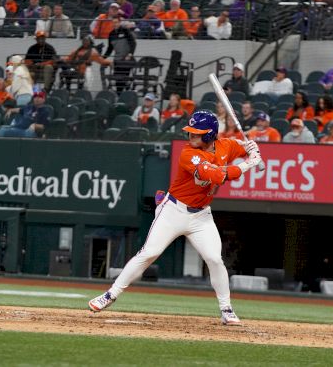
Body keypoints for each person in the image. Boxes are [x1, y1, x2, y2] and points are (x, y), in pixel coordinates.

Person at [88, 111, 264, 326]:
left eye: (196, 134)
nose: (191, 136)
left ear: (210, 136)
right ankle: (110, 294)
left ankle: (226, 309)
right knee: (149, 253)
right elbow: (216, 175)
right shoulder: (188, 154)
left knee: (215, 259)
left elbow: (241, 145)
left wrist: (250, 147)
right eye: (190, 132)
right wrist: (249, 164)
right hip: (174, 211)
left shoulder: (226, 145)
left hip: (201, 216)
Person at [103, 16, 137, 92]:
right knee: (118, 81)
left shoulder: (125, 30)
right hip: (117, 61)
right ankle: (119, 95)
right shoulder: (111, 34)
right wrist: (103, 58)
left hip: (126, 61)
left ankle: (126, 90)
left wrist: (130, 54)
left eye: (116, 22)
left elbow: (133, 43)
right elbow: (110, 48)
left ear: (119, 22)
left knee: (124, 79)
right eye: (113, 22)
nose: (115, 24)